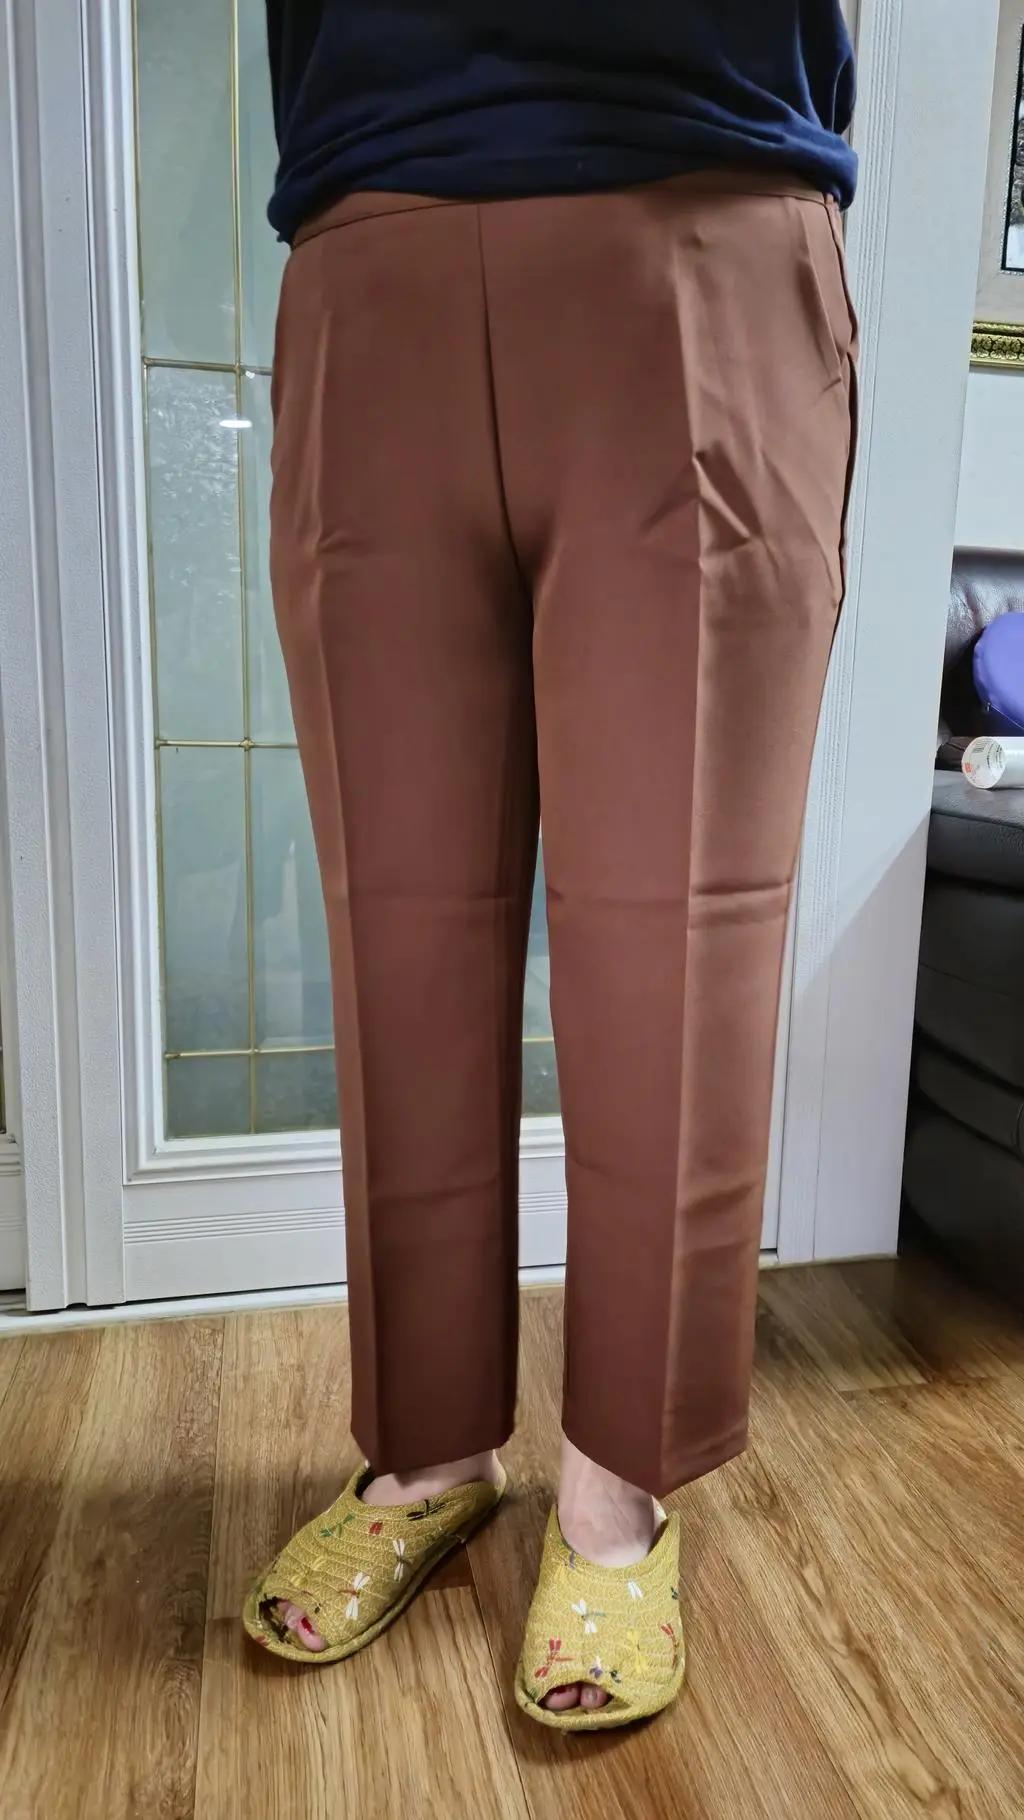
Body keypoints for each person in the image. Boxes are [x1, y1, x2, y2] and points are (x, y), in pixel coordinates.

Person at [243, 0, 859, 1731]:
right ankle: (427, 1452)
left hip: (705, 204)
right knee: (402, 929)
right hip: (373, 232)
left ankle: (616, 1488)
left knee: (676, 947)